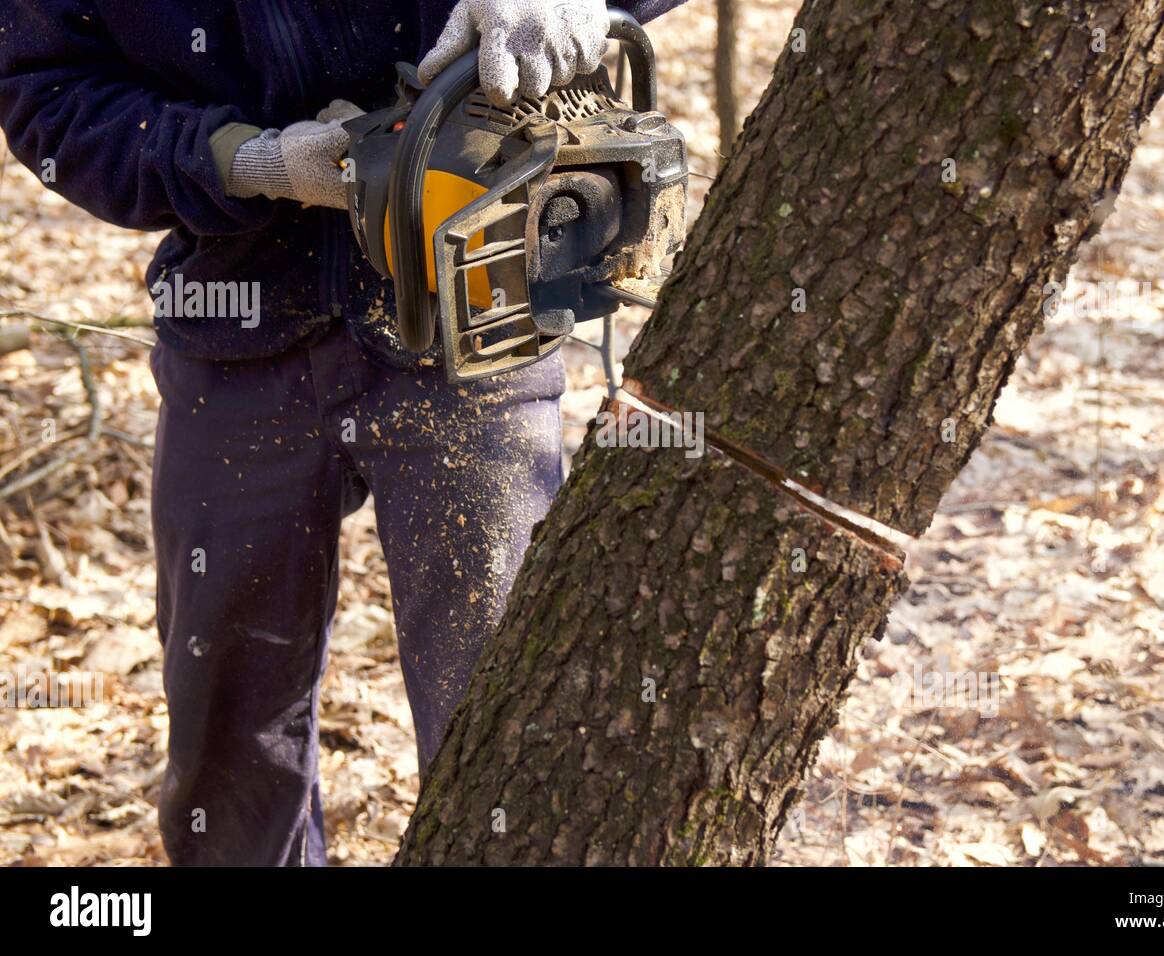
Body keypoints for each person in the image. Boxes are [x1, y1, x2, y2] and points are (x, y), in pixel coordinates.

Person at [0, 0, 685, 866]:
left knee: (506, 697)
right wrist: (242, 163)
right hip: (237, 315)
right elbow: (49, 88)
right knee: (226, 724)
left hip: (477, 301)